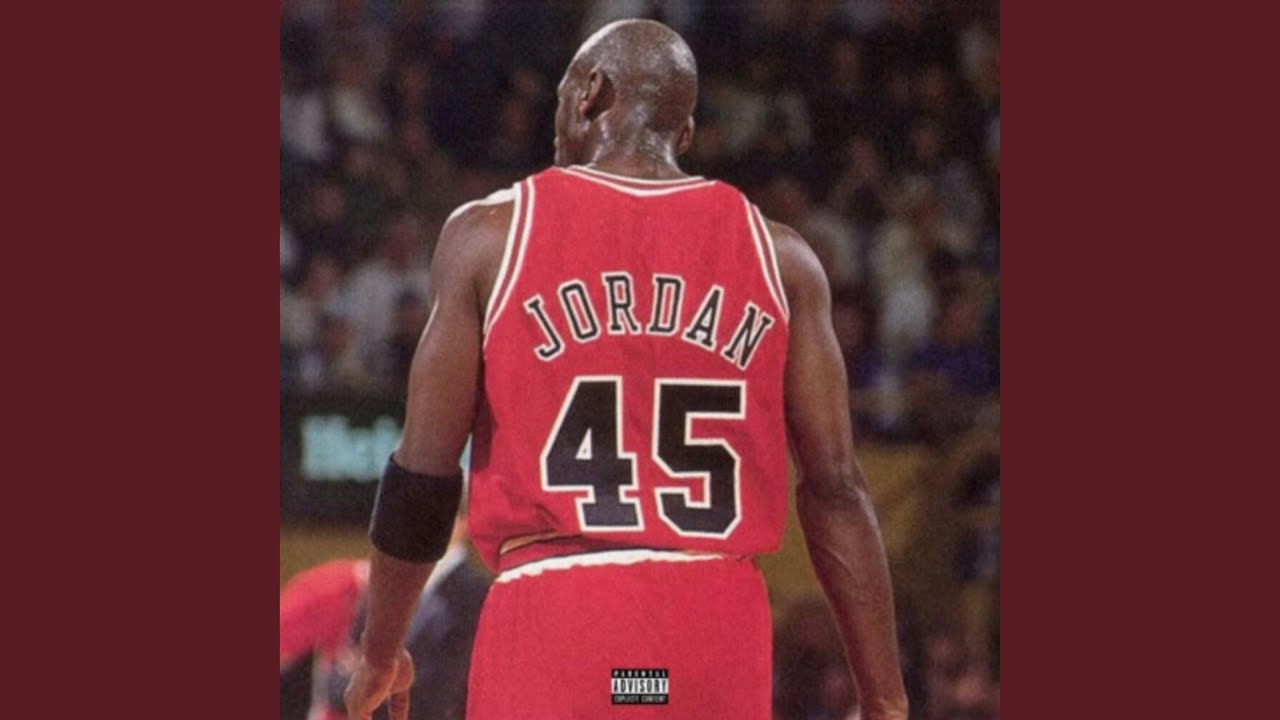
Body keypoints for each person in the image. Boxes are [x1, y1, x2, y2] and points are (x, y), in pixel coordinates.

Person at [343, 19, 908, 720]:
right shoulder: (784, 259)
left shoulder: (490, 236)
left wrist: (380, 649)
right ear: (685, 133)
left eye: (560, 98)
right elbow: (837, 488)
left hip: (555, 617)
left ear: (591, 93)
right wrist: (885, 698)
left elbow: (423, 476)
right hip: (714, 629)